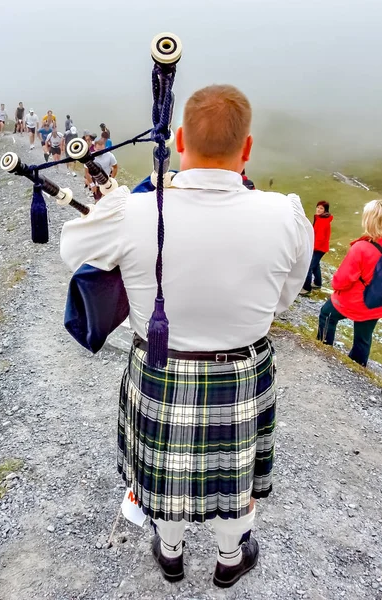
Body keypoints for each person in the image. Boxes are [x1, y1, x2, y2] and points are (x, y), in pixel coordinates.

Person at [60, 85, 313, 588]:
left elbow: (74, 250)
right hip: (242, 368)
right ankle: (228, 559)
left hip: (159, 366)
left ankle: (171, 553)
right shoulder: (286, 214)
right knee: (234, 477)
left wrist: (132, 200)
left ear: (177, 139)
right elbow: (284, 297)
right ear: (247, 148)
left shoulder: (136, 211)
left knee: (166, 475)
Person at [317, 199, 382, 367]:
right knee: (363, 339)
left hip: (352, 301)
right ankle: (357, 369)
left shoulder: (361, 248)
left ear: (370, 220)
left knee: (327, 315)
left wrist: (335, 284)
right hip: (375, 304)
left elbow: (341, 281)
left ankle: (322, 352)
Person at [300, 201, 333, 295]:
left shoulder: (323, 221)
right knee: (316, 265)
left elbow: (320, 238)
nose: (318, 209)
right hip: (320, 247)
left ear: (325, 210)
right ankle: (318, 283)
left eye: (321, 208)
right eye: (318, 207)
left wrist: (311, 248)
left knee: (308, 267)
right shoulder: (320, 218)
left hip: (318, 248)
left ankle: (306, 288)